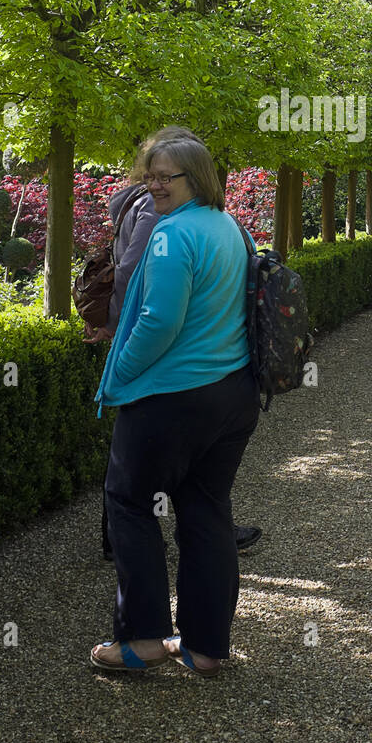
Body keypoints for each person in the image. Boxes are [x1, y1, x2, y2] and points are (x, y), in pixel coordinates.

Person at [90, 132, 261, 676]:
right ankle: (206, 648)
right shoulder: (228, 227)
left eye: (167, 177)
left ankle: (142, 641)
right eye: (150, 175)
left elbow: (159, 322)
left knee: (129, 504)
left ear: (198, 179)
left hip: (171, 399)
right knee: (206, 512)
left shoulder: (170, 237)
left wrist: (117, 374)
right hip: (231, 396)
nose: (155, 186)